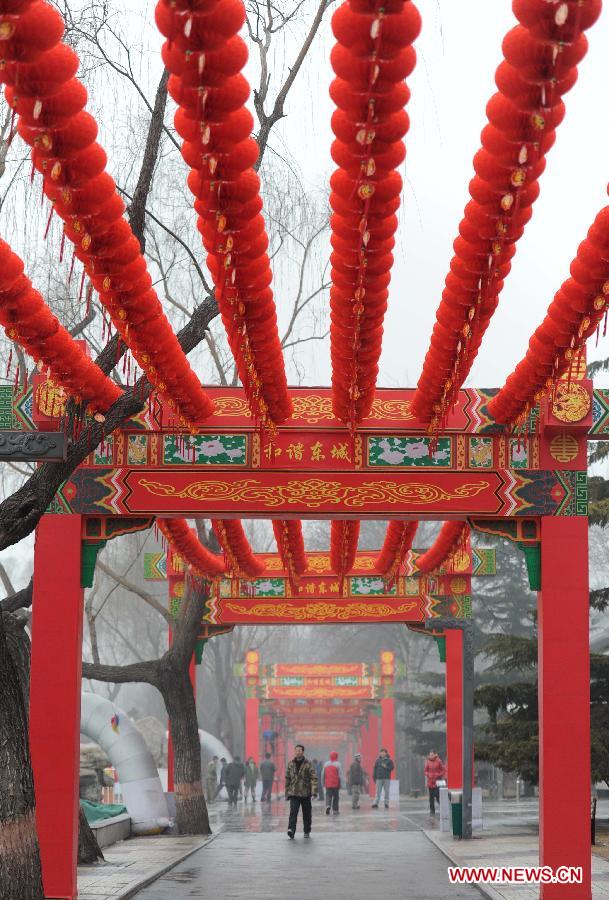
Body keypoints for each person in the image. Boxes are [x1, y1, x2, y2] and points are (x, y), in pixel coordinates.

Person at [285, 743, 318, 839]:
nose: (297, 752)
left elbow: (314, 778)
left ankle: (307, 830)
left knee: (307, 813)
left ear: (303, 752)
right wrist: (287, 792)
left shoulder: (308, 764)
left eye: (299, 750)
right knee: (293, 812)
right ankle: (291, 830)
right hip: (294, 793)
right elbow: (287, 778)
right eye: (296, 750)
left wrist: (314, 791)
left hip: (305, 793)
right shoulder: (290, 764)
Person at [424, 750, 446, 815]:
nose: (431, 756)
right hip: (430, 781)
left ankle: (442, 808)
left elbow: (443, 770)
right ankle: (432, 810)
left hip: (437, 781)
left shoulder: (439, 761)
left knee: (437, 795)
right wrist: (428, 774)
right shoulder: (427, 762)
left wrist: (438, 774)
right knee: (431, 797)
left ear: (434, 754)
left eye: (432, 755)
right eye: (430, 755)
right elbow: (425, 771)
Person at [323, 750, 344, 815]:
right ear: (336, 756)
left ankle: (328, 805)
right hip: (335, 784)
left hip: (328, 784)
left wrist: (323, 783)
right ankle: (335, 810)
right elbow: (340, 775)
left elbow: (322, 774)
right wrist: (343, 784)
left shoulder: (326, 764)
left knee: (328, 796)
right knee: (336, 797)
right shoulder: (338, 764)